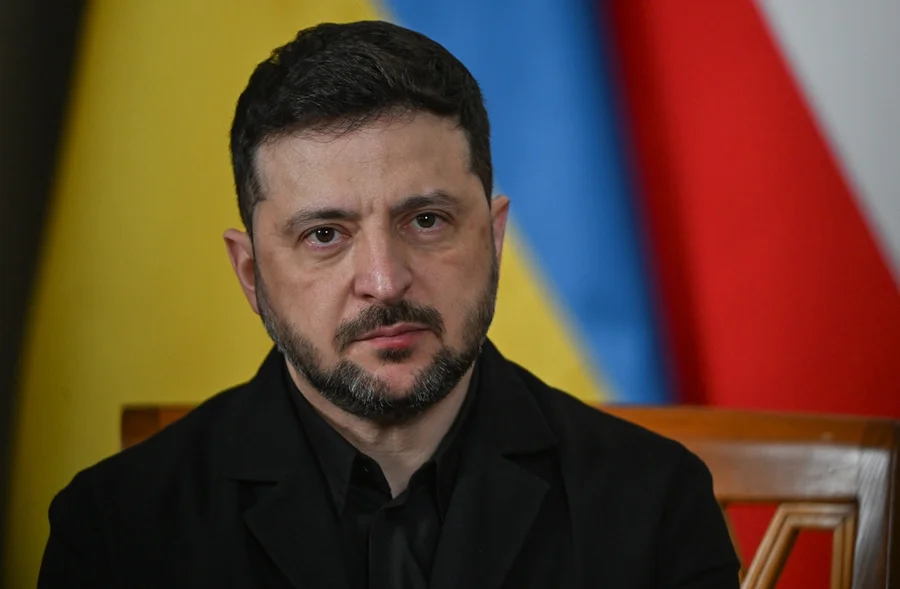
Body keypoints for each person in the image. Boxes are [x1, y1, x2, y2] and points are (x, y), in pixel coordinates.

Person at [38, 20, 739, 589]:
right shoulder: (114, 530)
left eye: (426, 221)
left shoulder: (654, 502)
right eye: (325, 234)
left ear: (494, 238)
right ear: (251, 274)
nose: (384, 279)